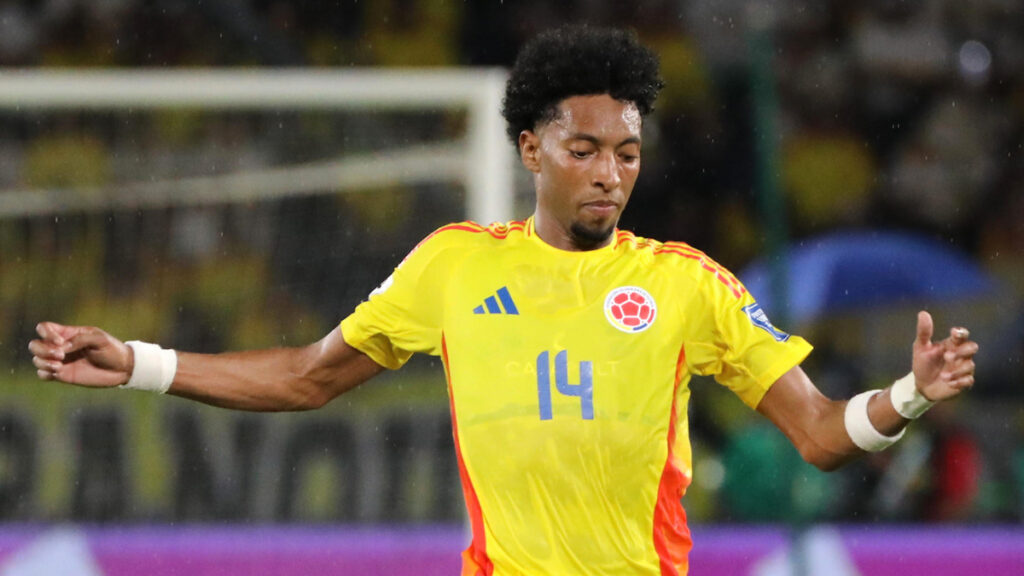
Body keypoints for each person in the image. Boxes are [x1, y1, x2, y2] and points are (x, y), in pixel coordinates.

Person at [28, 25, 978, 576]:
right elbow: (309, 379)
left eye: (628, 153)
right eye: (585, 150)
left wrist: (912, 396)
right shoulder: (453, 266)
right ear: (531, 150)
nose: (610, 174)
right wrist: (143, 366)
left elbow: (817, 434)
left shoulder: (686, 283)